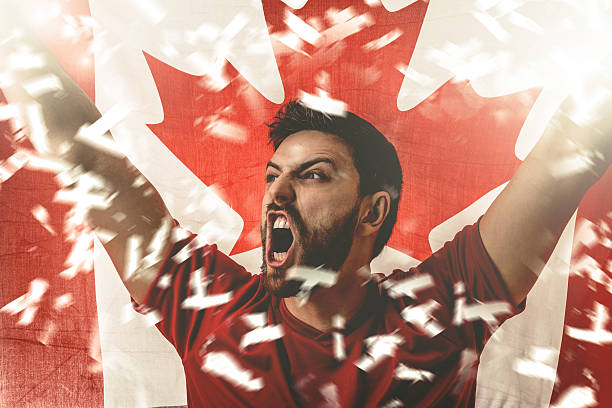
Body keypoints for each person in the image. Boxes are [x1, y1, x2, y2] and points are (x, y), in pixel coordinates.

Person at [1, 1, 611, 406]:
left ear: (373, 212)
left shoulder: (440, 315)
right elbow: (87, 157)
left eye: (313, 175)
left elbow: (574, 148)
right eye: (273, 175)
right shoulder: (214, 317)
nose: (277, 193)